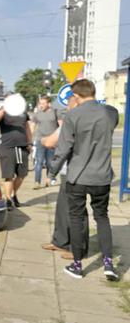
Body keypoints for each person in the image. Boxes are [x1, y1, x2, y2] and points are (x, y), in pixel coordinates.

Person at [50, 79, 119, 280]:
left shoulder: (72, 116)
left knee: (77, 218)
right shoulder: (109, 114)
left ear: (77, 96)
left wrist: (52, 171)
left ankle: (78, 265)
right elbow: (110, 109)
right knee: (102, 217)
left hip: (77, 177)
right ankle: (108, 264)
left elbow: (64, 148)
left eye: (73, 97)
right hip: (102, 176)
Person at [40, 95, 88, 260]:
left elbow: (50, 143)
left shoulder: (75, 122)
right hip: (68, 172)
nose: (67, 109)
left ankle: (78, 250)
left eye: (69, 106)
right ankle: (60, 241)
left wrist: (43, 139)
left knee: (77, 212)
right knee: (63, 209)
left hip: (78, 173)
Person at [0, 103, 33, 208]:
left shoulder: (23, 113)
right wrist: (3, 110)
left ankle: (13, 193)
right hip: (8, 148)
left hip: (22, 147)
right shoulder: (3, 112)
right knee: (8, 175)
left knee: (22, 174)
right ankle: (8, 199)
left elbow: (27, 128)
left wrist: (30, 143)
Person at [30, 95, 60, 189]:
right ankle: (37, 182)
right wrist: (29, 140)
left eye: (43, 103)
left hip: (52, 141)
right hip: (40, 140)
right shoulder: (37, 114)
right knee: (38, 162)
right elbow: (32, 127)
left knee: (50, 162)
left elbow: (61, 125)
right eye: (40, 103)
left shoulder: (55, 112)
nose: (41, 105)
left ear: (49, 104)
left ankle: (49, 179)